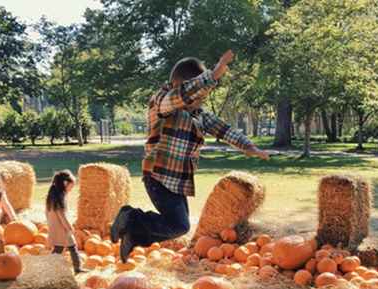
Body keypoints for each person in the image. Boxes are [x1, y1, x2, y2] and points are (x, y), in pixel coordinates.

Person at [110, 50, 270, 262]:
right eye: (199, 94)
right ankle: (130, 217)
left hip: (177, 182)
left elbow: (223, 129)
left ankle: (133, 236)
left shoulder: (198, 114)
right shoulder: (162, 102)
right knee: (179, 225)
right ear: (180, 85)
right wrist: (212, 76)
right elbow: (181, 96)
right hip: (158, 177)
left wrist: (249, 147)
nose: (202, 98)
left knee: (177, 227)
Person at [46, 170, 84, 274]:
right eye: (71, 186)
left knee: (71, 247)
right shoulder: (59, 198)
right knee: (60, 248)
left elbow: (50, 214)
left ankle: (77, 268)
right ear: (65, 184)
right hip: (62, 228)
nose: (72, 189)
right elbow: (61, 215)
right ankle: (49, 268)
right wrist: (69, 227)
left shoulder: (53, 195)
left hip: (57, 227)